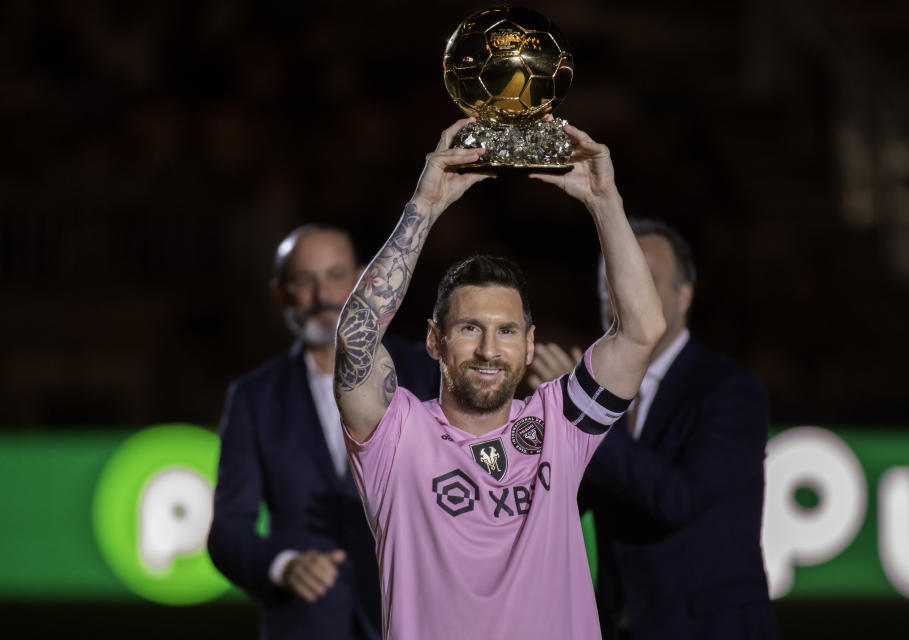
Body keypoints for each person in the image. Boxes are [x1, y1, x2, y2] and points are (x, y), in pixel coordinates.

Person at [332, 117, 666, 640]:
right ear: (434, 341)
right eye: (470, 328)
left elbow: (643, 330)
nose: (490, 349)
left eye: (506, 331)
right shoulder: (396, 436)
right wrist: (425, 207)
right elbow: (356, 341)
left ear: (529, 344)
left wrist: (605, 201)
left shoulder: (562, 422)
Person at [528, 219, 780, 639]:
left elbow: (679, 498)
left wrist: (588, 409)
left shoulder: (731, 390)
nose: (622, 292)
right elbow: (565, 505)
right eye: (611, 280)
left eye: (642, 278)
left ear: (685, 295)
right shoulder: (595, 386)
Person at [207, 225, 438, 640]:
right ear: (280, 294)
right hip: (305, 624)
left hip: (416, 619)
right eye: (304, 281)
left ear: (365, 279)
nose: (323, 296)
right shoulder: (252, 397)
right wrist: (283, 564)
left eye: (335, 275)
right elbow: (228, 532)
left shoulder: (427, 372)